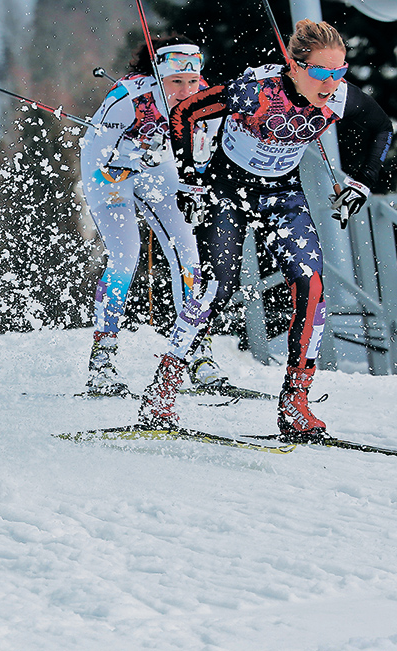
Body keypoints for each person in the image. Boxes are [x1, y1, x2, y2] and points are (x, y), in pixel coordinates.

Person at [138, 20, 393, 441]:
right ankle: (162, 391)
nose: (331, 83)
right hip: (228, 192)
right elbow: (184, 112)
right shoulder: (255, 89)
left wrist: (360, 185)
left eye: (339, 71)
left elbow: (381, 129)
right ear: (295, 66)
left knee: (311, 286)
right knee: (215, 289)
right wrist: (189, 180)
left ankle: (295, 403)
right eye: (321, 72)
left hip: (282, 196)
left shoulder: (338, 95)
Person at [79, 36, 225, 397]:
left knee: (189, 257)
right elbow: (97, 152)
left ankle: (196, 352)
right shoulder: (129, 98)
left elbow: (202, 153)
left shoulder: (203, 98)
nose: (186, 90)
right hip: (110, 174)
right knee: (126, 258)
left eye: (193, 82)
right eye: (177, 82)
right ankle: (102, 360)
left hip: (157, 169)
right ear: (159, 76)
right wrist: (132, 157)